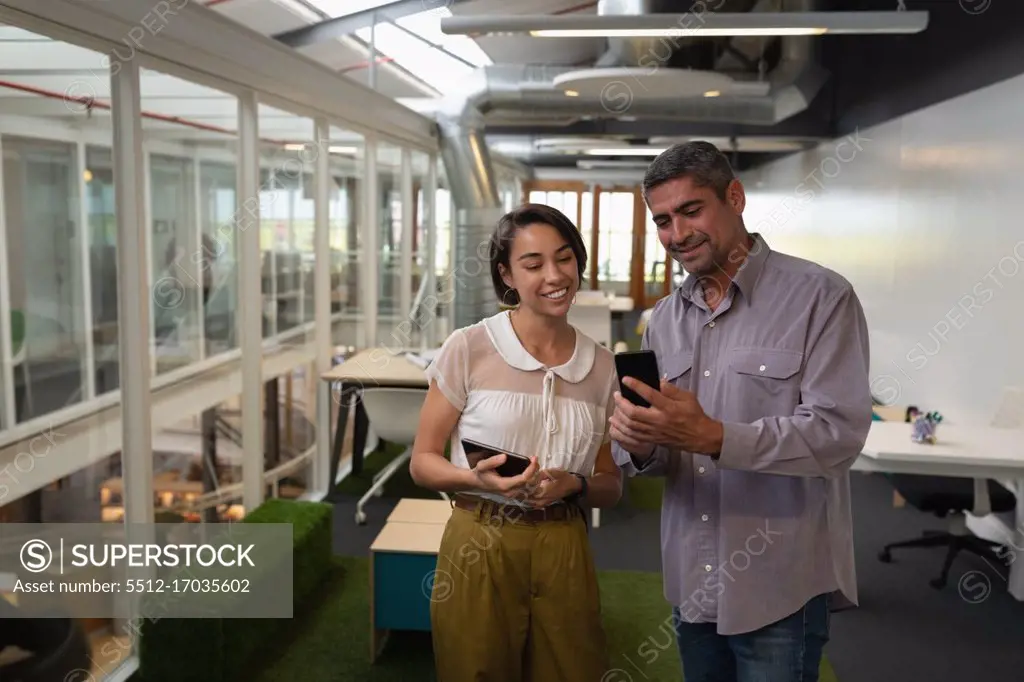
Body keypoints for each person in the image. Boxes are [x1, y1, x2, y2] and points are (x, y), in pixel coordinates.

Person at [609, 141, 872, 682]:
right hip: (691, 576)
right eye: (662, 221)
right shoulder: (662, 320)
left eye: (690, 211)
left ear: (735, 197)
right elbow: (660, 457)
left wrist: (715, 437)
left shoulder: (821, 297)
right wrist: (638, 442)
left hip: (777, 584)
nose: (677, 235)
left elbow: (837, 434)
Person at [410, 203, 623, 682]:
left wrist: (574, 483)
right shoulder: (468, 347)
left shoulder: (605, 367)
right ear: (506, 273)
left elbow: (612, 485)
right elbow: (422, 463)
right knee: (475, 670)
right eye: (533, 264)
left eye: (564, 258)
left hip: (564, 542)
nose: (554, 275)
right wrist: (472, 477)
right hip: (478, 540)